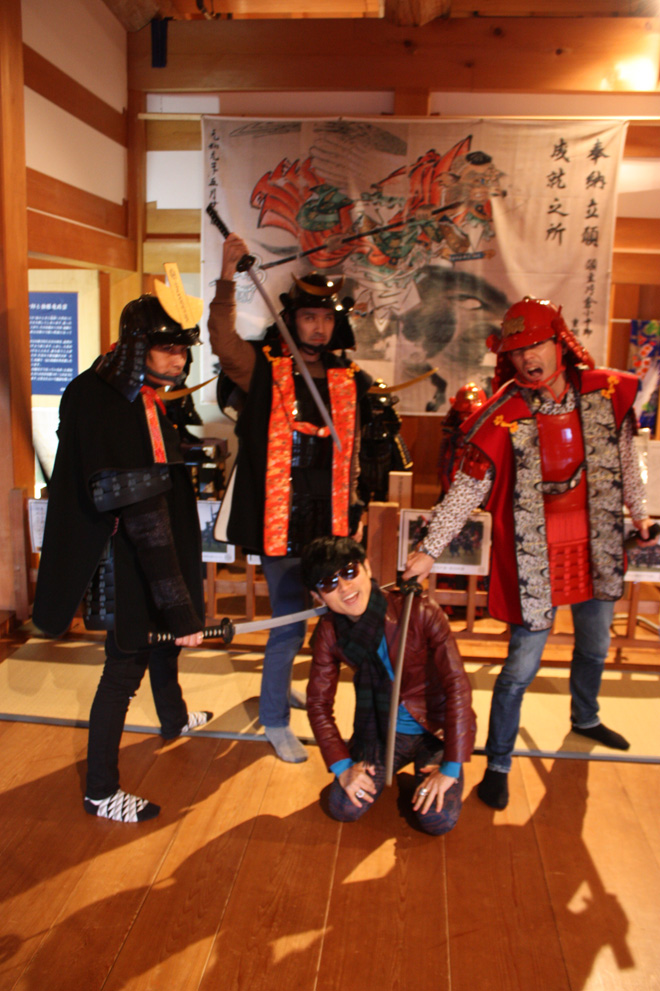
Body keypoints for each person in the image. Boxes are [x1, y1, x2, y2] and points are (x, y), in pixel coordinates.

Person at [405, 295, 654, 811]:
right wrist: (428, 551)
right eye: (516, 351)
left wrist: (640, 511)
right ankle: (498, 762)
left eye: (535, 345)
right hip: (534, 553)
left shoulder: (605, 392)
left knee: (595, 645)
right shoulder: (503, 414)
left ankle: (585, 716)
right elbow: (467, 490)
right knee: (519, 667)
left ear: (560, 342)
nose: (526, 358)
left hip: (598, 543)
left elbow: (627, 456)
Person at [33, 285, 212, 823]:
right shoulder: (104, 399)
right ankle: (101, 791)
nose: (179, 360)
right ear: (136, 344)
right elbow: (141, 519)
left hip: (148, 546)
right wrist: (183, 611)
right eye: (167, 348)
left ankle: (173, 717)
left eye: (184, 349)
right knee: (125, 666)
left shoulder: (135, 389)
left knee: (164, 644)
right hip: (122, 555)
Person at [208, 234, 371, 764]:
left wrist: (356, 511)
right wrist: (227, 276)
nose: (317, 327)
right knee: (286, 622)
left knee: (332, 620)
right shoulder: (264, 368)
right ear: (292, 320)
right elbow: (221, 340)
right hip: (279, 519)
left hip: (331, 522)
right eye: (308, 317)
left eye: (325, 318)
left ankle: (289, 694)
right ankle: (275, 719)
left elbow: (354, 454)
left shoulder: (350, 380)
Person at [302, 536, 475, 834]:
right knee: (343, 807)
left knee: (437, 820)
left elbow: (457, 687)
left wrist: (451, 767)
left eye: (349, 572)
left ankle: (433, 772)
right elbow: (318, 703)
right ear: (318, 596)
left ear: (367, 567)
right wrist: (343, 768)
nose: (344, 588)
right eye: (329, 583)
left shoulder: (419, 610)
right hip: (379, 734)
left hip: (433, 732)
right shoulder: (330, 632)